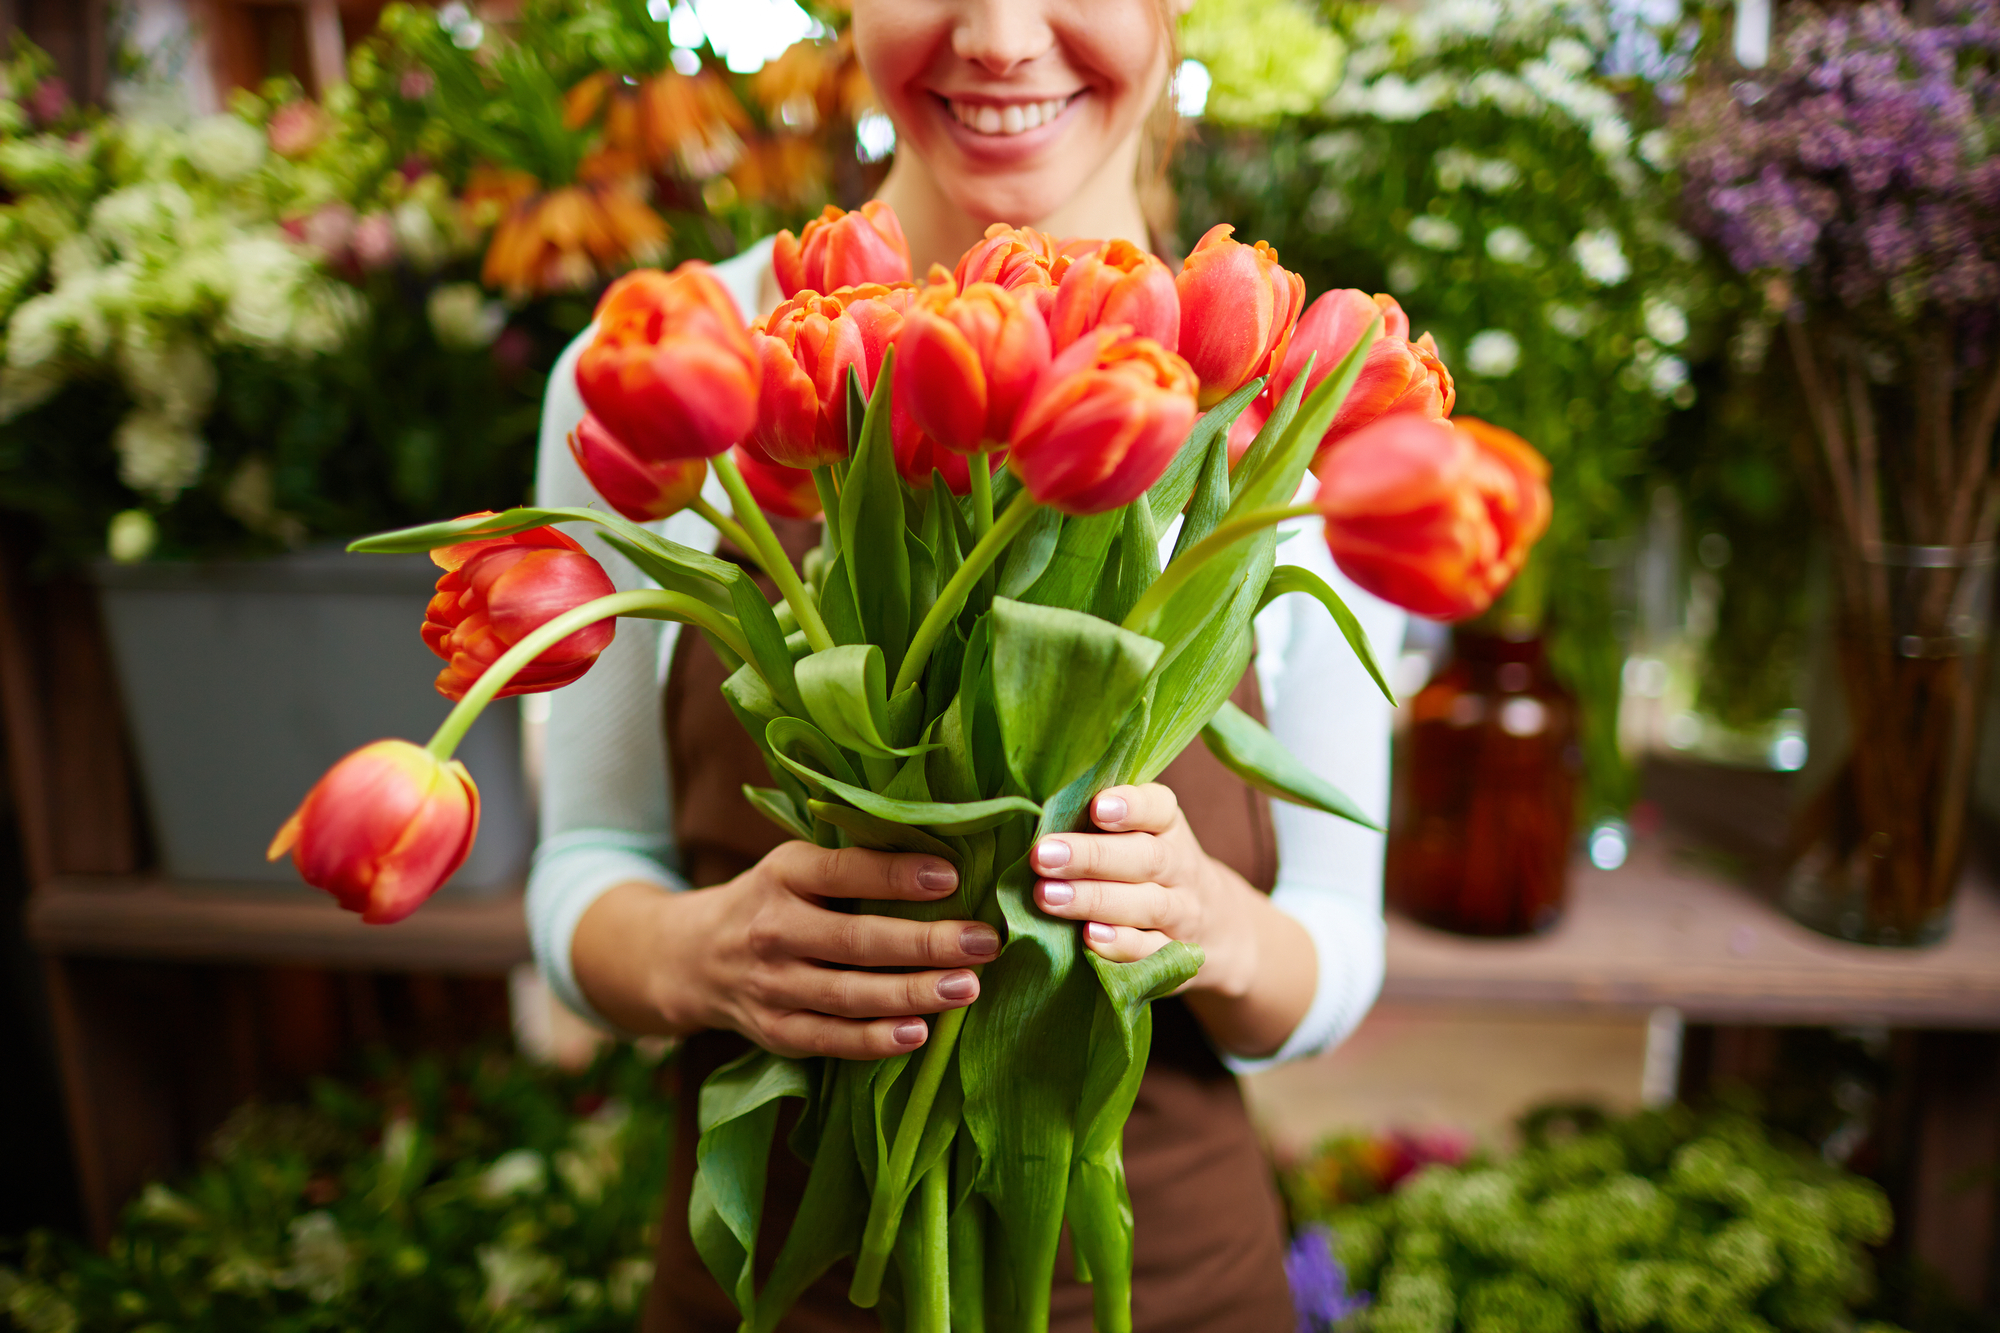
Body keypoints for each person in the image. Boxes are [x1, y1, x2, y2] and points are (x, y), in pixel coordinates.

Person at [528, 1, 1405, 1327]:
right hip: (776, 1292)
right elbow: (591, 861)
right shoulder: (667, 359)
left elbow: (1334, 946)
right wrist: (699, 954)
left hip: (1165, 1289)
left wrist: (1209, 925)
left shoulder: (1289, 392)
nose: (998, 37)